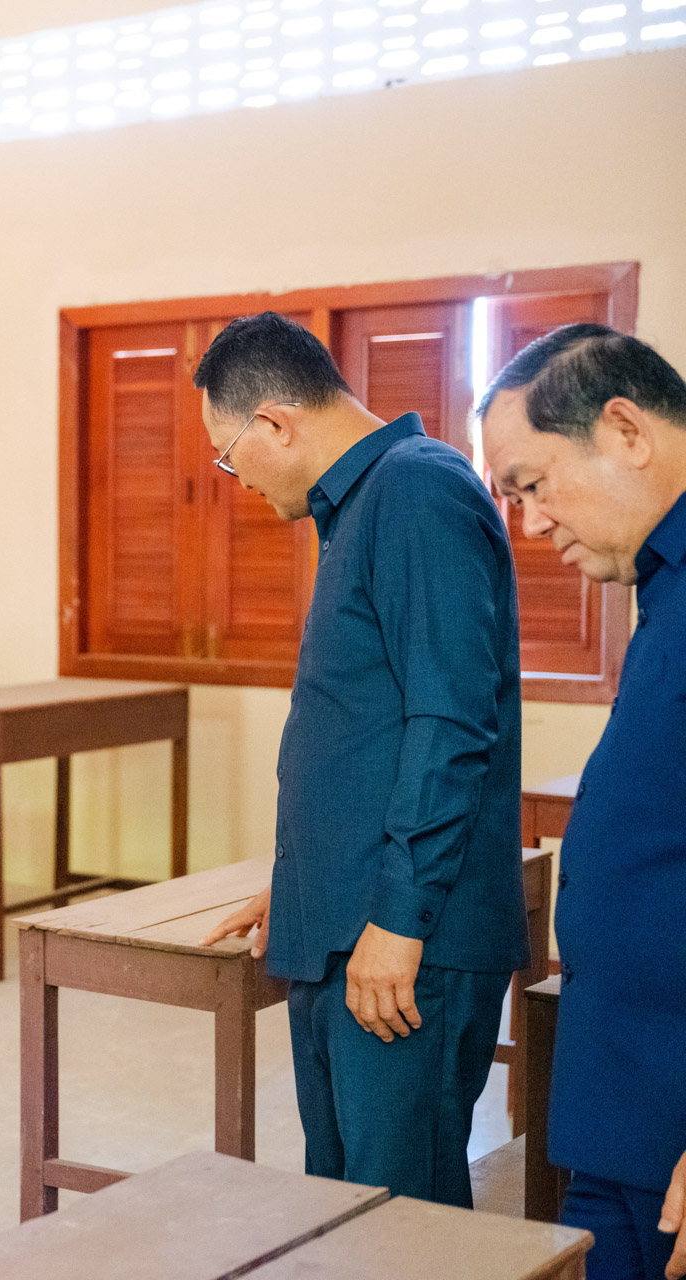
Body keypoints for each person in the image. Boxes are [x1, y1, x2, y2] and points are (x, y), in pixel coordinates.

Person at [197, 312, 527, 1207]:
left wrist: (399, 920)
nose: (236, 480)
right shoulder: (361, 506)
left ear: (273, 422)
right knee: (344, 1210)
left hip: (405, 939)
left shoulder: (416, 492)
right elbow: (368, 731)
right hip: (348, 920)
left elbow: (450, 723)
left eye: (229, 456)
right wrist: (306, 878)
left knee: (400, 1217)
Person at [477, 324, 686, 1280]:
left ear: (625, 431)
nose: (530, 523)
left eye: (533, 484)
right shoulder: (664, 584)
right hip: (627, 1096)